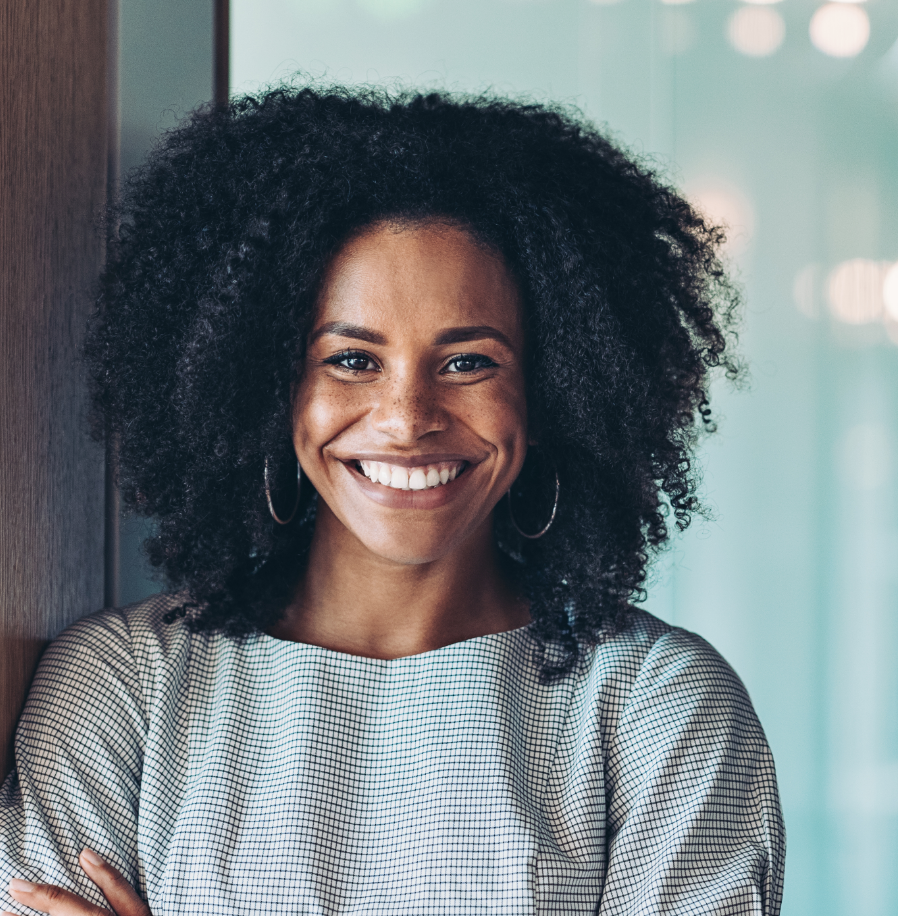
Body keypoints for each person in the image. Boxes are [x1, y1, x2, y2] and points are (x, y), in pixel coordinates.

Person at [1, 85, 784, 916]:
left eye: (468, 362)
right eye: (351, 360)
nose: (408, 420)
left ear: (554, 390)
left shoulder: (659, 709)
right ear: (265, 384)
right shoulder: (123, 686)